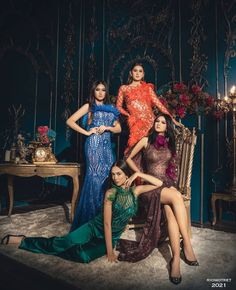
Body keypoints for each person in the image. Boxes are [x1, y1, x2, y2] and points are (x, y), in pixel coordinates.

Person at [1, 160, 163, 265]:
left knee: (84, 257)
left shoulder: (136, 191)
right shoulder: (111, 194)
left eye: (118, 174)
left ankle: (68, 249)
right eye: (112, 174)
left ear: (127, 174)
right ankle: (24, 241)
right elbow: (106, 223)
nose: (115, 178)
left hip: (112, 236)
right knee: (65, 241)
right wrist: (109, 251)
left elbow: (159, 183)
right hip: (95, 228)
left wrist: (139, 174)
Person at [117, 113, 198, 284]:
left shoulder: (170, 143)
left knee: (170, 211)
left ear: (167, 126)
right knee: (176, 197)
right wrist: (139, 173)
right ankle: (187, 246)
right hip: (151, 187)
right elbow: (127, 158)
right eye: (157, 121)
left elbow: (171, 168)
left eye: (163, 122)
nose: (159, 124)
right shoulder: (146, 141)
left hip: (167, 185)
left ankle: (175, 258)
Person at [66, 80, 121, 230]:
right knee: (94, 179)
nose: (101, 92)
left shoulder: (111, 108)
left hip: (107, 148)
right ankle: (90, 221)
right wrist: (86, 132)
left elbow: (119, 129)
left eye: (103, 90)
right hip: (93, 145)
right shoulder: (88, 107)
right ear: (93, 91)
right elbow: (70, 121)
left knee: (107, 179)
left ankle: (105, 220)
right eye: (98, 89)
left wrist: (108, 127)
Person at [116, 63, 182, 157]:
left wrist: (172, 119)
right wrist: (128, 115)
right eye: (135, 71)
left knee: (151, 150)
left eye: (140, 71)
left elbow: (158, 104)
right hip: (136, 123)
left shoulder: (147, 88)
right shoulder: (124, 88)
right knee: (135, 151)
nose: (137, 73)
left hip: (150, 123)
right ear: (131, 73)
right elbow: (118, 106)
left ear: (143, 74)